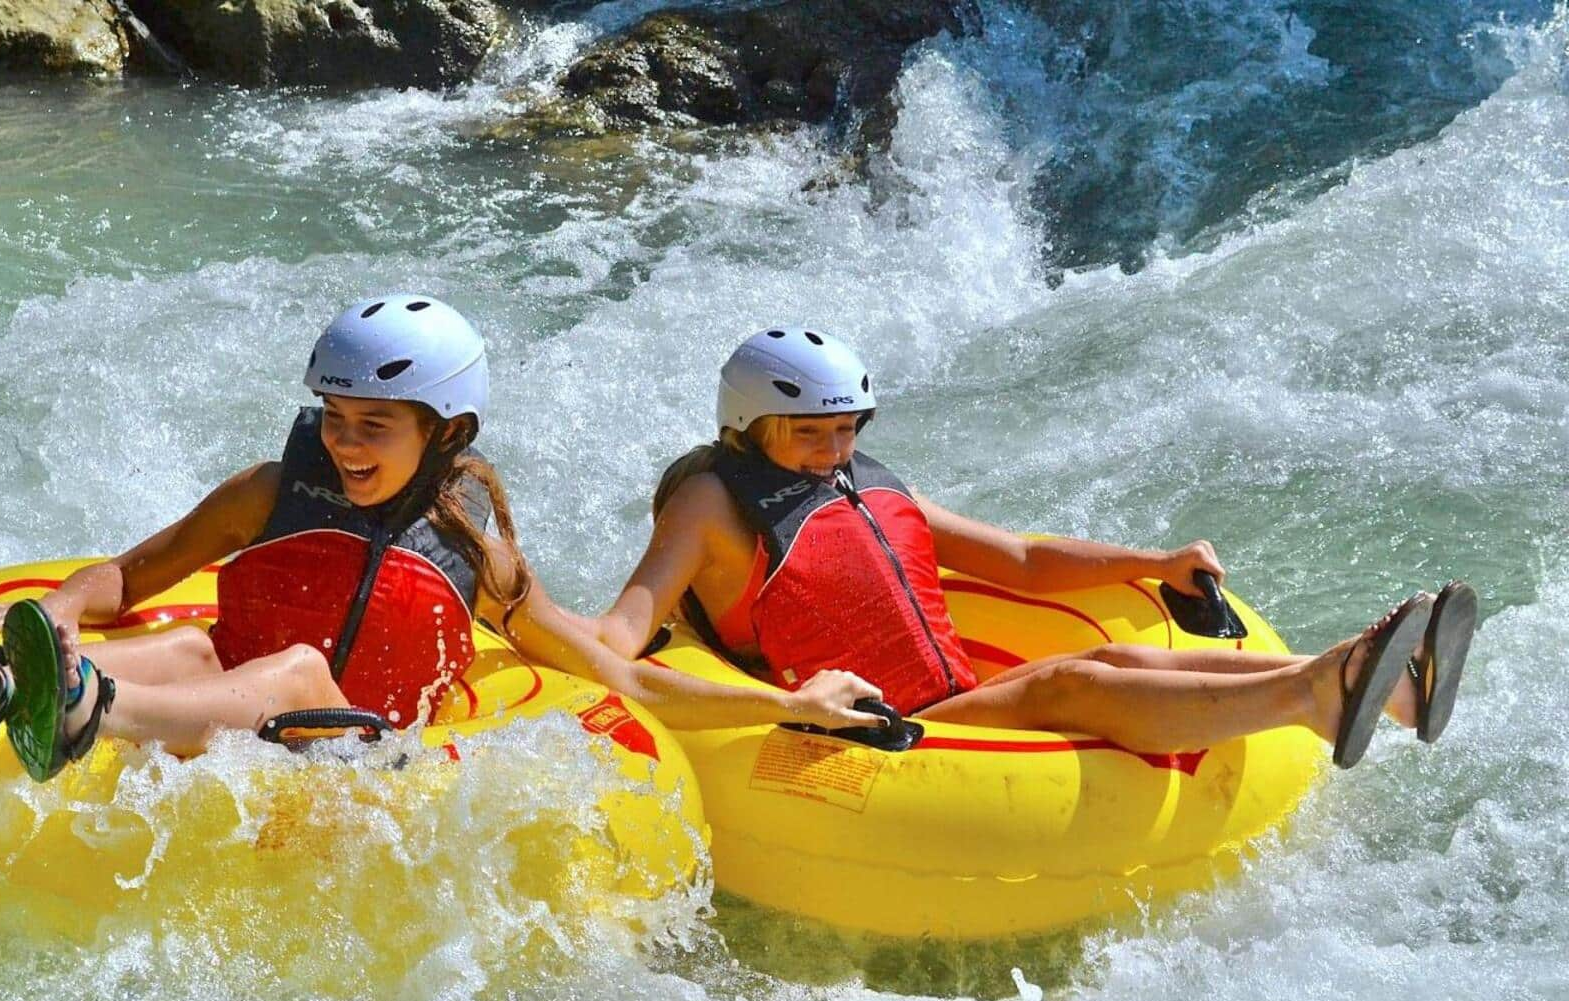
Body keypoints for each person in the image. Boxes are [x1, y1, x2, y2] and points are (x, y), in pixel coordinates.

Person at [0, 297, 887, 785]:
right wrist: (64, 606)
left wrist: (783, 703)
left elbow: (616, 675)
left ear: (445, 432)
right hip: (243, 717)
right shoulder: (267, 494)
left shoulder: (477, 552)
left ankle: (89, 707)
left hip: (366, 762)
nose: (342, 442)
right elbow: (138, 569)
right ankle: (13, 684)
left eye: (374, 425)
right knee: (193, 642)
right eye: (335, 417)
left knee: (291, 665)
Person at [585, 326, 1479, 767]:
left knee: (1118, 652)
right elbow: (626, 630)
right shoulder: (710, 503)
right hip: (869, 735)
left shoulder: (853, 482)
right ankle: (1320, 695)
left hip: (944, 698)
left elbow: (1014, 561)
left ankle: (1375, 679)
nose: (835, 452)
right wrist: (539, 642)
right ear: (747, 426)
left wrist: (1152, 564)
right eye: (809, 435)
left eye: (847, 430)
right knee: (1067, 685)